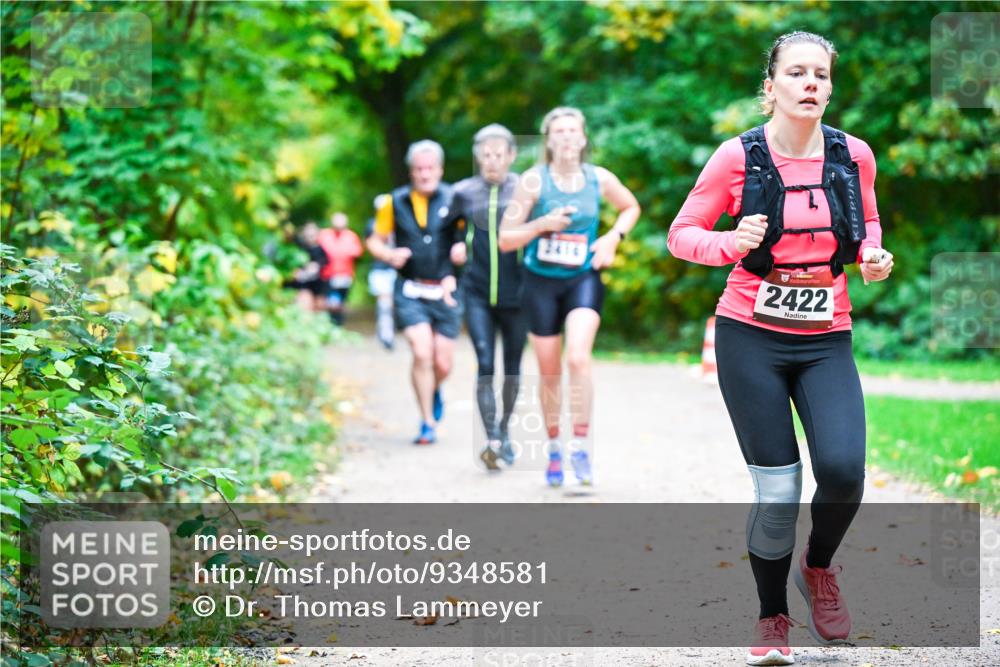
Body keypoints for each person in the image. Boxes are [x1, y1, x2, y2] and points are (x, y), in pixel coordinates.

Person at [667, 32, 894, 666]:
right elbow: (681, 235)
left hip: (826, 335)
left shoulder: (855, 156)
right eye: (796, 73)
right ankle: (772, 620)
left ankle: (817, 567)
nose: (810, 84)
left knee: (845, 473)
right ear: (772, 86)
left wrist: (871, 257)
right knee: (778, 491)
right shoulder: (736, 157)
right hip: (750, 335)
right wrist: (730, 243)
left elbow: (867, 222)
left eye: (820, 74)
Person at [499, 107, 640, 487]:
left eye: (571, 130)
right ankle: (554, 449)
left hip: (583, 278)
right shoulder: (532, 182)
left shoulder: (599, 179)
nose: (565, 137)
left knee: (578, 357)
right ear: (548, 139)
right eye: (558, 131)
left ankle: (579, 445)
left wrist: (612, 237)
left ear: (582, 138)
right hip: (540, 282)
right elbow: (505, 238)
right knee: (549, 372)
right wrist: (542, 224)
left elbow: (630, 207)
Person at [366, 140, 466, 445]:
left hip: (446, 289)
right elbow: (374, 241)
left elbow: (467, 236)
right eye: (418, 169)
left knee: (443, 363)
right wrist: (388, 255)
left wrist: (463, 250)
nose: (424, 174)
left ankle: (433, 390)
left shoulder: (455, 198)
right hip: (410, 289)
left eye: (430, 168)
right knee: (421, 350)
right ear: (411, 171)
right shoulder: (393, 202)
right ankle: (427, 421)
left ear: (440, 169)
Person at [453, 124, 528, 471]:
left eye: (499, 154)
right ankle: (492, 441)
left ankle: (504, 430)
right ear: (477, 157)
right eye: (486, 154)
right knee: (485, 363)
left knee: (513, 369)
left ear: (511, 156)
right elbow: (442, 235)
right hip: (477, 293)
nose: (492, 161)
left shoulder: (526, 190)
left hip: (519, 295)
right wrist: (452, 250)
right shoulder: (463, 193)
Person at [317, 212, 363, 325]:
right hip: (327, 275)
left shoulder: (351, 236)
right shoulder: (324, 235)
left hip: (345, 275)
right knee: (330, 301)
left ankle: (337, 323)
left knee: (340, 301)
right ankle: (331, 323)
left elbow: (358, 254)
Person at [365, 195, 397, 350]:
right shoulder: (372, 225)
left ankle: (389, 331)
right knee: (385, 302)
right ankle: (386, 333)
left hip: (397, 269)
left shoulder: (399, 221)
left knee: (392, 303)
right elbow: (370, 246)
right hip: (380, 269)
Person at [282, 221, 330, 313]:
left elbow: (325, 263)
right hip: (301, 286)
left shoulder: (321, 249)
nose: (310, 236)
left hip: (317, 286)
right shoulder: (298, 249)